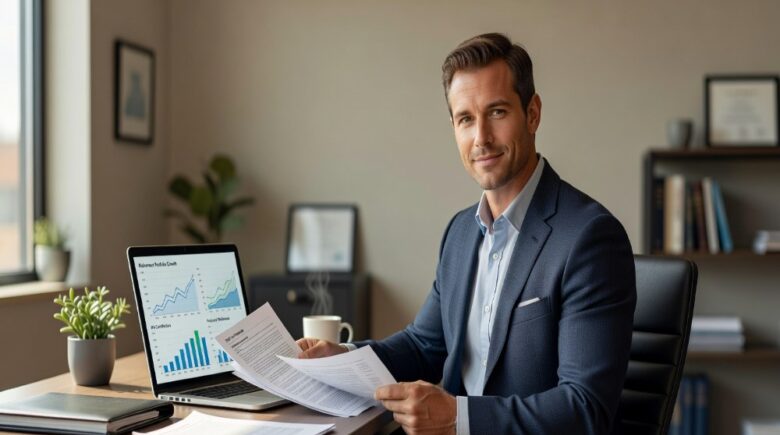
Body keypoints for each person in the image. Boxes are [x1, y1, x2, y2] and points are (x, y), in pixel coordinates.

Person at [297, 33, 636, 435]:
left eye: (496, 112)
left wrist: (458, 417)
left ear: (532, 114)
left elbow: (585, 408)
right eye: (465, 119)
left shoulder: (589, 238)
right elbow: (424, 345)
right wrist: (342, 357)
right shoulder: (461, 232)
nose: (481, 139)